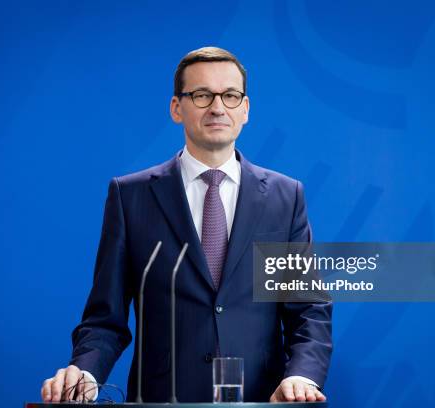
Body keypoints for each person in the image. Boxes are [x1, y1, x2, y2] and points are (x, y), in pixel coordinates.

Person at [41, 47, 332, 403]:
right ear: (176, 108)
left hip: (260, 400)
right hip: (162, 398)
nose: (217, 107)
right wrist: (84, 372)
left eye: (229, 95)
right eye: (201, 95)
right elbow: (105, 319)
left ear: (245, 109)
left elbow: (307, 311)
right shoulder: (130, 196)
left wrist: (302, 375)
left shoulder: (285, 197)